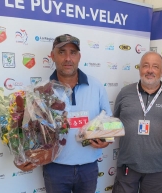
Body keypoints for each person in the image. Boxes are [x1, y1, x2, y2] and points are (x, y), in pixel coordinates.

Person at [42, 34, 112, 193]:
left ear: (79, 56)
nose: (68, 58)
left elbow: (108, 121)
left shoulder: (96, 86)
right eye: (62, 52)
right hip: (55, 169)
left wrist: (106, 140)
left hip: (88, 167)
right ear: (52, 56)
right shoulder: (43, 90)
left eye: (73, 52)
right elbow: (35, 132)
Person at [112, 51, 162, 193]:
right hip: (127, 165)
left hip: (156, 168)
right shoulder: (125, 92)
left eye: (155, 66)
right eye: (145, 66)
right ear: (140, 68)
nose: (150, 70)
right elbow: (113, 123)